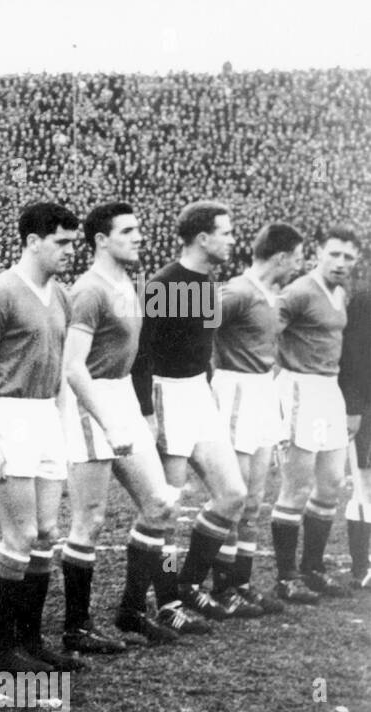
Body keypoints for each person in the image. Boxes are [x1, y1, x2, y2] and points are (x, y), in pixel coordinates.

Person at [0, 202, 83, 674]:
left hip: (45, 416)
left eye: (74, 243)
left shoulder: (62, 295)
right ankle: (1, 648)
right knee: (20, 534)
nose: (69, 251)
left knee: (47, 533)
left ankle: (31, 642)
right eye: (61, 242)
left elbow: (60, 371)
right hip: (8, 414)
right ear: (33, 241)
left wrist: (63, 426)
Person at [60, 202, 182, 650]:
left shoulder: (129, 284)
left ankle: (131, 610)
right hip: (89, 402)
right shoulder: (88, 291)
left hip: (122, 395)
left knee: (161, 504)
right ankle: (76, 627)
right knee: (89, 521)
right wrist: (108, 421)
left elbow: (133, 360)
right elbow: (73, 368)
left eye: (139, 229)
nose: (138, 237)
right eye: (128, 230)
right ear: (101, 240)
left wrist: (141, 412)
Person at [131, 201, 249, 630]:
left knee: (232, 493)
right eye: (226, 232)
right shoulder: (163, 285)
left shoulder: (208, 283)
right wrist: (147, 412)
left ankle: (188, 584)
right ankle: (166, 603)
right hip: (167, 394)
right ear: (203, 238)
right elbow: (141, 356)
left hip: (199, 392)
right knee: (167, 505)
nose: (232, 239)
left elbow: (203, 348)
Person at [208, 222, 307, 611]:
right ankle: (222, 587)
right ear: (281, 257)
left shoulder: (272, 294)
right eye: (297, 259)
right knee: (234, 495)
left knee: (254, 499)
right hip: (236, 391)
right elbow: (195, 327)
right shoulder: (238, 290)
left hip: (264, 390)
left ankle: (242, 582)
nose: (298, 266)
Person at [271, 225, 363, 598]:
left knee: (331, 485)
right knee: (296, 486)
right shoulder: (298, 291)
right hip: (299, 388)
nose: (340, 263)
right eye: (334, 254)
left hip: (330, 389)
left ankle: (312, 568)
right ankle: (286, 577)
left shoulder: (342, 291)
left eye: (348, 257)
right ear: (318, 253)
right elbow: (265, 335)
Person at [341, 285, 371, 589]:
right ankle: (361, 566)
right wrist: (354, 406)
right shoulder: (365, 299)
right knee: (365, 485)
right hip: (366, 405)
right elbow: (350, 359)